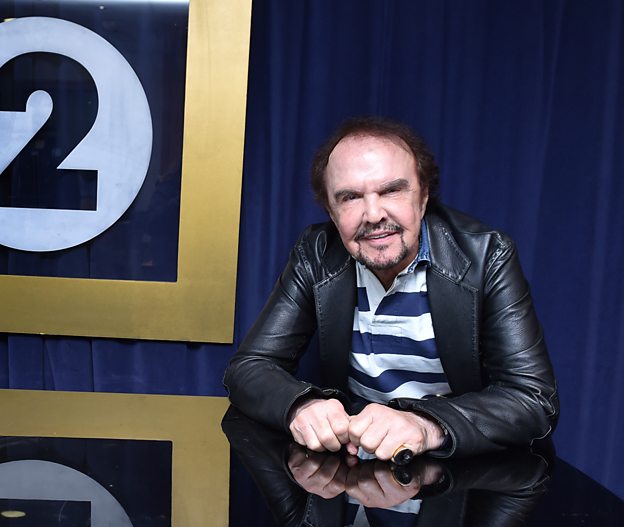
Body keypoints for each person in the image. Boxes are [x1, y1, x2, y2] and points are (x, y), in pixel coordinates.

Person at [223, 116, 558, 460]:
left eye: (391, 190)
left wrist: (426, 425)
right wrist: (300, 405)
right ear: (332, 213)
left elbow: (533, 399)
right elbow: (249, 367)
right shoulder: (317, 254)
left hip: (456, 473)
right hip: (354, 467)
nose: (373, 214)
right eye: (350, 197)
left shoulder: (487, 255)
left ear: (423, 197)